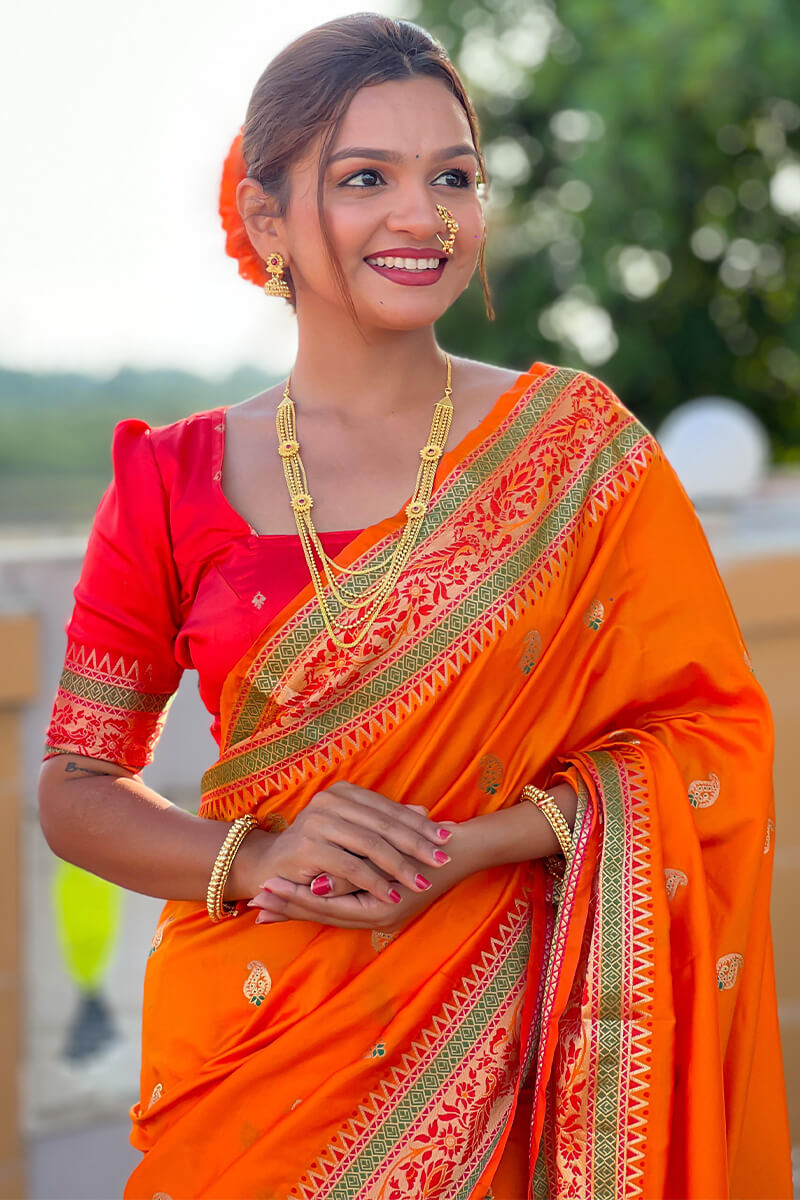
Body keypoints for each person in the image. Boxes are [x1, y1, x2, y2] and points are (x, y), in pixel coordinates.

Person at [38, 13, 792, 1199]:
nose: (421, 216)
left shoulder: (575, 453)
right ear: (264, 219)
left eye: (451, 176)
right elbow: (77, 786)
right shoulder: (170, 481)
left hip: (521, 1051)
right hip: (261, 1060)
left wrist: (468, 849)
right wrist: (261, 857)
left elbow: (706, 743)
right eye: (363, 179)